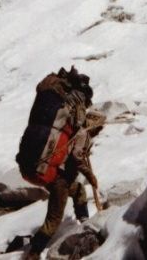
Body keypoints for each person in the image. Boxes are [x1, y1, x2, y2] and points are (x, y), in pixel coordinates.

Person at [25, 109, 106, 260]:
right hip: (60, 180)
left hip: (62, 179)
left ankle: (84, 223)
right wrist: (90, 175)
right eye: (100, 126)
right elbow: (76, 158)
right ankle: (34, 252)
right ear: (94, 124)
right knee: (54, 219)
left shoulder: (80, 133)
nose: (100, 130)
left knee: (79, 190)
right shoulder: (83, 134)